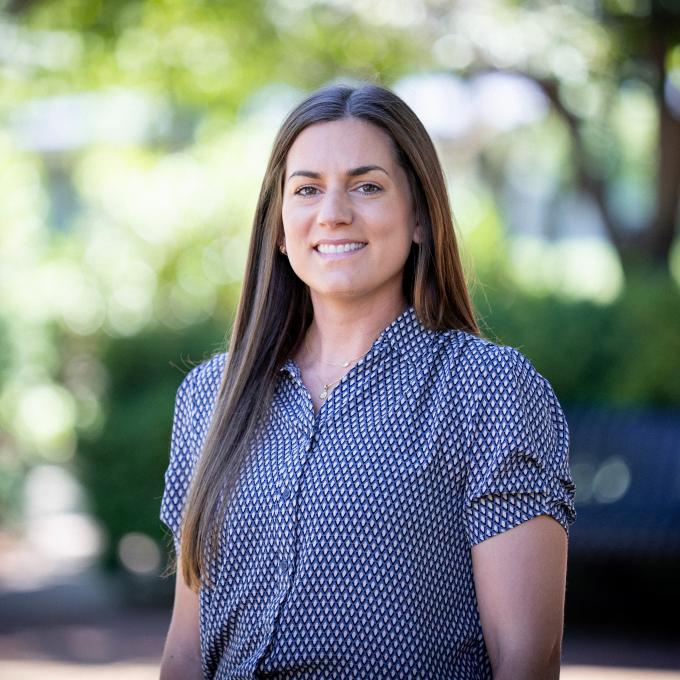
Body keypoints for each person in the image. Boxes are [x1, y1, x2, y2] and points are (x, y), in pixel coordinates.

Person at [158, 81, 576, 680]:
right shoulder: (209, 397)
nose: (333, 213)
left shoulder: (490, 391)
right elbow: (184, 651)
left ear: (420, 219)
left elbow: (528, 661)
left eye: (367, 186)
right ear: (279, 226)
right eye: (306, 190)